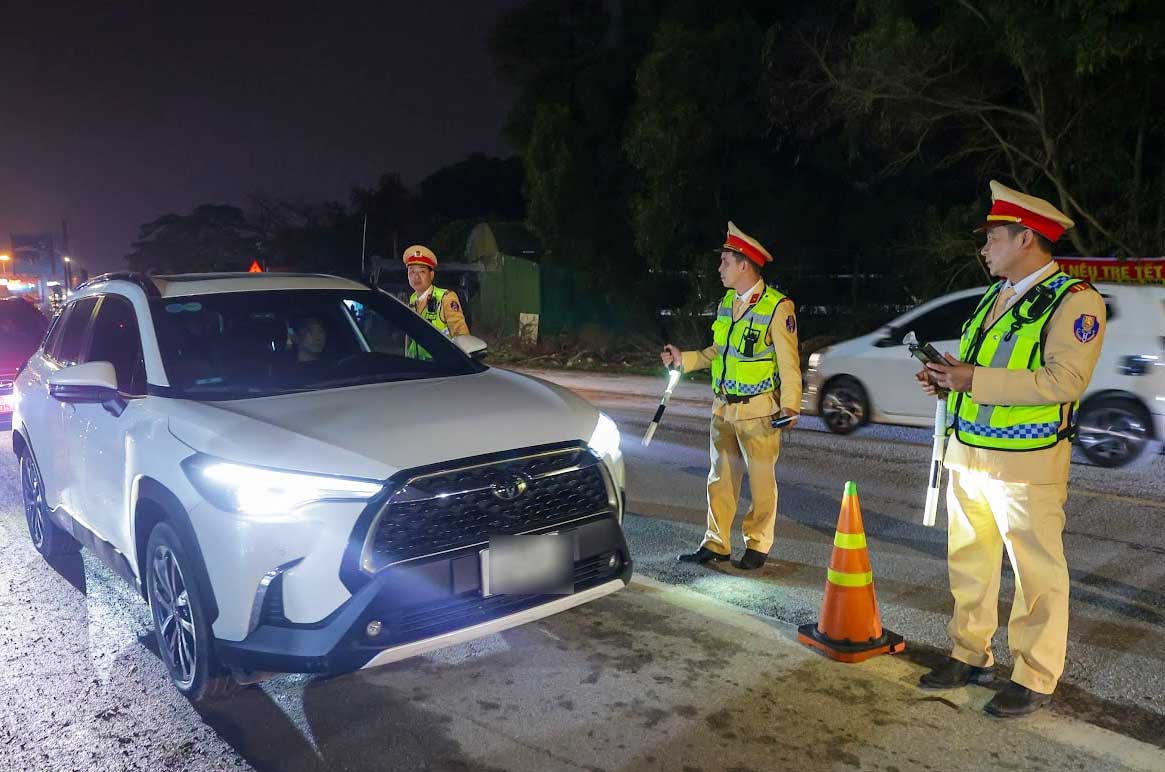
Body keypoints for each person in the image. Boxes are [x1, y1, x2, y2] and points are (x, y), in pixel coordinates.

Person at [915, 180, 1106, 718]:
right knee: (970, 563)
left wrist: (973, 379)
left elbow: (1064, 380)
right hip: (970, 454)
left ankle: (1035, 675)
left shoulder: (1075, 301)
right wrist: (946, 378)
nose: (984, 248)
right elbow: (980, 371)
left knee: (1036, 573)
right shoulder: (995, 298)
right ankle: (969, 653)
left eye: (993, 237)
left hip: (1027, 463)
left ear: (1025, 237)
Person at [661, 221, 801, 571]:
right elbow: (716, 352)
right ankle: (716, 543)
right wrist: (685, 359)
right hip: (723, 407)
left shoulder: (777, 307)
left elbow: (789, 363)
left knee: (761, 482)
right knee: (719, 480)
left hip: (758, 412)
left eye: (725, 261)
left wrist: (791, 405)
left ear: (744, 265)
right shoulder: (727, 303)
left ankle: (757, 543)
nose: (719, 267)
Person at [402, 244, 470, 360]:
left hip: (441, 366)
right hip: (416, 366)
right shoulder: (413, 298)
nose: (416, 277)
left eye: (422, 272)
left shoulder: (446, 298)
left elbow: (461, 333)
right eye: (412, 272)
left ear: (431, 274)